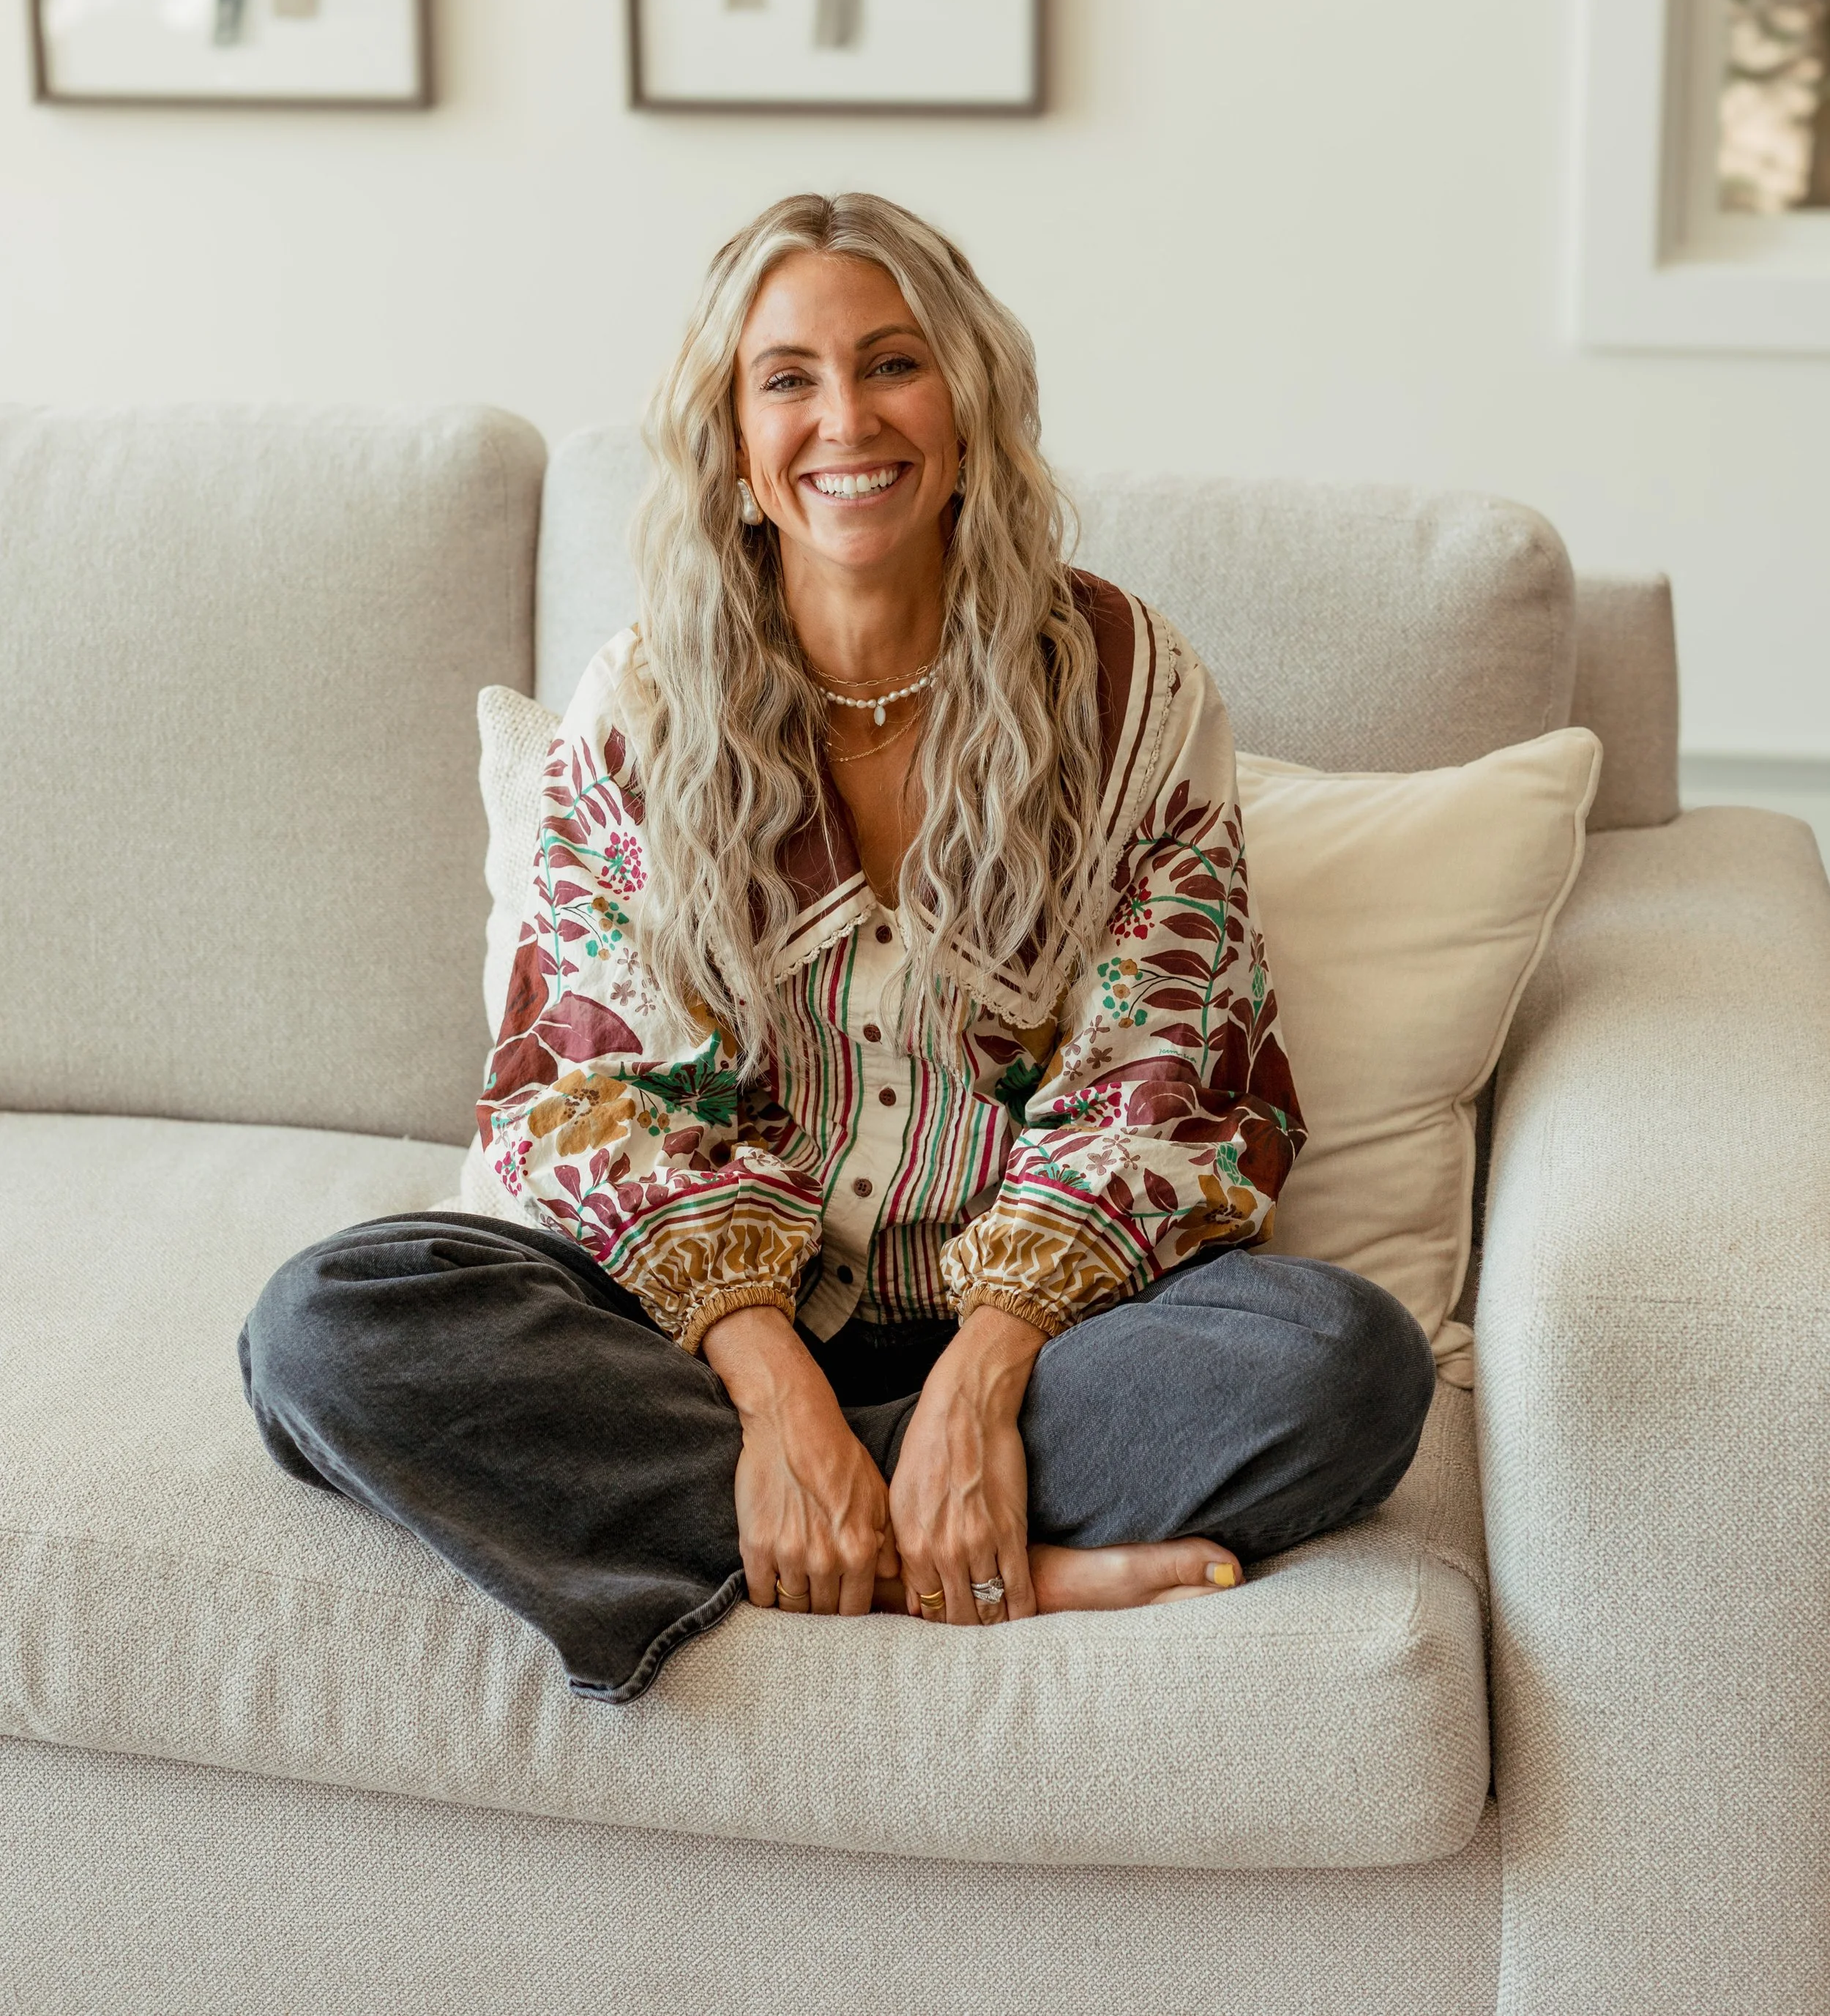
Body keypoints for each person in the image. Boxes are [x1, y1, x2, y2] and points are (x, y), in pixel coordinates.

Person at [242, 193, 1435, 1702]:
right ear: (733, 450)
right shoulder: (643, 706)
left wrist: (980, 1381)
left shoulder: (1128, 684)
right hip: (697, 1344)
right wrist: (776, 1401)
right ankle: (952, 1563)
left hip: (1044, 1343)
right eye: (786, 379)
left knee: (1346, 1365)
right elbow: (595, 1097)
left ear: (969, 403)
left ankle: (840, 1528)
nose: (843, 419)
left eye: (891, 364)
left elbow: (1163, 1069)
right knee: (325, 1334)